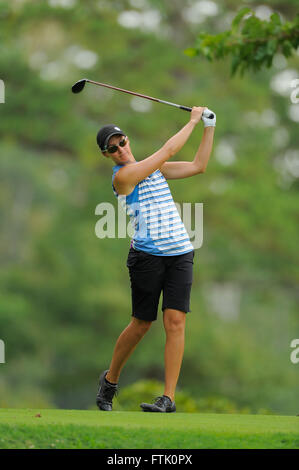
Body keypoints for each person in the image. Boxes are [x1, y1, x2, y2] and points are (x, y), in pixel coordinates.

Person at [96, 106, 216, 412]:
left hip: (180, 254)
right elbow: (167, 149)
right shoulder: (123, 178)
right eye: (113, 148)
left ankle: (168, 398)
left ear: (127, 140)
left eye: (121, 142)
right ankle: (110, 380)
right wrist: (191, 120)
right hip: (147, 258)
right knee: (141, 324)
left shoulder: (156, 169)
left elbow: (199, 165)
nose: (120, 149)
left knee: (175, 322)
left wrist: (208, 127)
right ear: (107, 155)